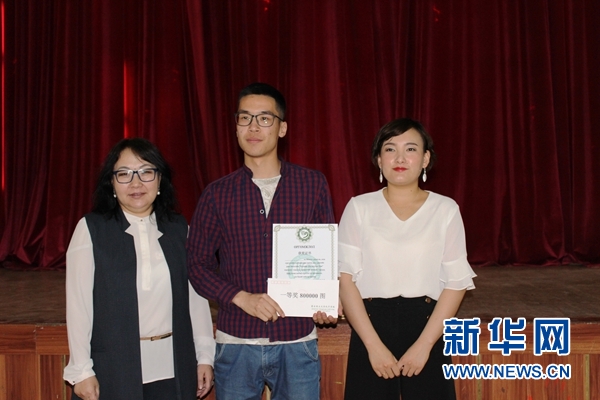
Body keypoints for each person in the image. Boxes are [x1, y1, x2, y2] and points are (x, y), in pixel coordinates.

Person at [187, 82, 337, 400]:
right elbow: (197, 266)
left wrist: (325, 299)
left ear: (282, 128)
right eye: (245, 118)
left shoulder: (312, 184)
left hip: (297, 341)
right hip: (236, 343)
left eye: (265, 118)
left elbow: (325, 255)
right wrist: (241, 298)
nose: (253, 127)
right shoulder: (216, 194)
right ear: (236, 126)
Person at [63, 138, 215, 400]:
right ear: (111, 183)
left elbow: (196, 299)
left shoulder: (179, 229)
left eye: (146, 172)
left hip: (174, 367)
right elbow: (78, 306)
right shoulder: (91, 230)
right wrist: (82, 370)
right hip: (113, 370)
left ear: (160, 180)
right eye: (124, 174)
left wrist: (204, 356)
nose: (136, 183)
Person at [338, 118, 476, 400]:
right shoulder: (359, 207)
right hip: (370, 327)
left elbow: (456, 282)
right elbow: (345, 279)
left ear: (425, 159)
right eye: (390, 149)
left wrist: (424, 345)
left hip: (428, 327)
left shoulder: (445, 209)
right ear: (379, 159)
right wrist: (373, 346)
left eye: (411, 149)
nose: (400, 158)